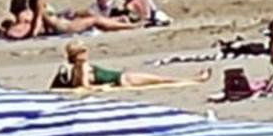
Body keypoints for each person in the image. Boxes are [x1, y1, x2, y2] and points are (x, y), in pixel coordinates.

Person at [50, 38, 205, 90]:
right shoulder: (82, 67)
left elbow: (81, 85)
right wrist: (104, 87)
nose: (86, 53)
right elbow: (85, 86)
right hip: (122, 80)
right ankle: (194, 79)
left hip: (122, 79)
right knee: (160, 79)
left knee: (160, 79)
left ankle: (194, 79)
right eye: (83, 51)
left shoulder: (78, 68)